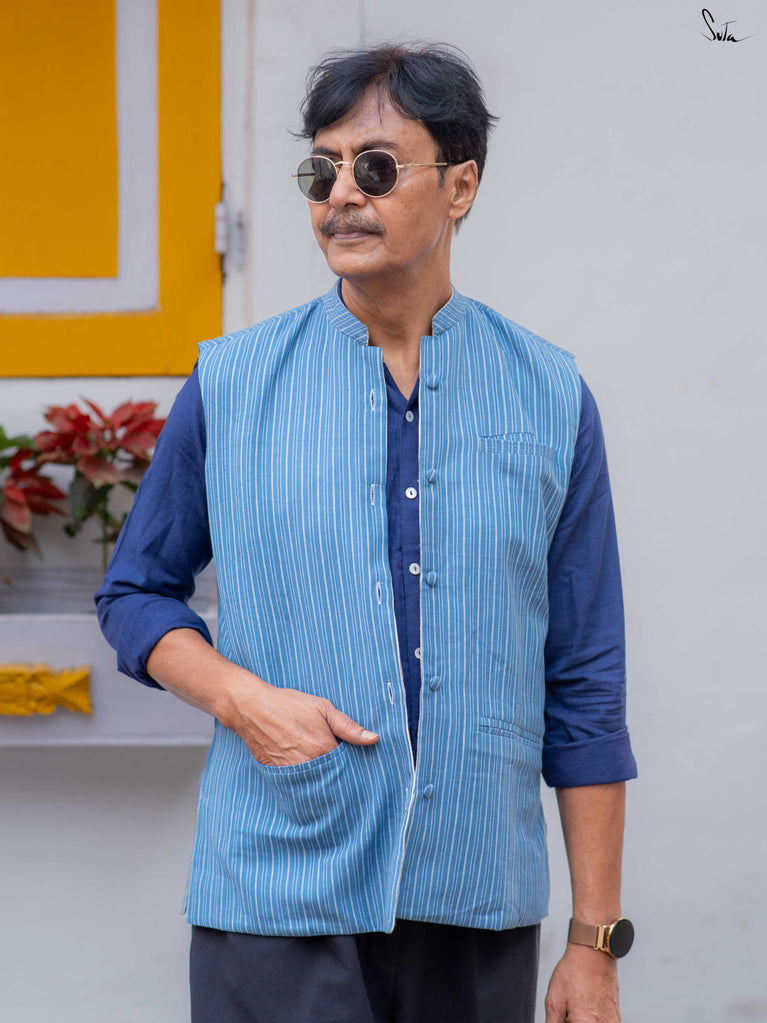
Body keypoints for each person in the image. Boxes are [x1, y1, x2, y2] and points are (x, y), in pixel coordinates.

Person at [97, 42, 637, 1023]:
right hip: (275, 893)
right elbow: (135, 594)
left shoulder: (549, 395)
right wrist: (242, 700)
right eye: (322, 170)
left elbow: (584, 676)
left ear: (460, 185)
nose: (341, 195)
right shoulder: (233, 383)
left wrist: (591, 941)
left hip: (474, 896)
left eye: (376, 167)